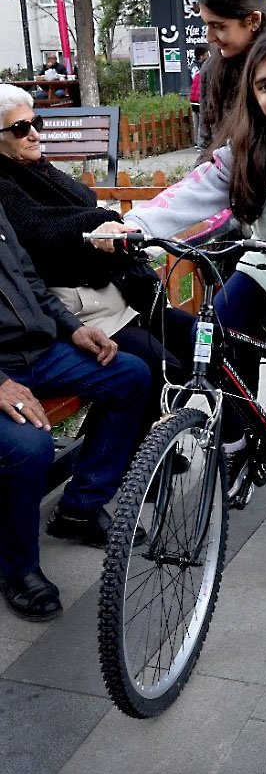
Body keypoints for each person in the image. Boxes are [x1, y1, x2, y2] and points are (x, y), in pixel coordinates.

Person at [90, 28, 266, 569]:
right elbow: (197, 189)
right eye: (265, 86)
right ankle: (242, 434)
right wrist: (133, 223)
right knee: (212, 333)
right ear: (252, 95)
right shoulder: (249, 144)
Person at [0, 84, 194, 431]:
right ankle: (137, 451)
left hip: (116, 294)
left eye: (35, 123)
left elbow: (82, 206)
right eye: (19, 129)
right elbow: (38, 230)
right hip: (79, 307)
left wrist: (103, 224)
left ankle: (151, 440)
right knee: (159, 366)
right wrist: (100, 224)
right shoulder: (5, 183)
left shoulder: (41, 170)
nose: (32, 135)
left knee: (196, 339)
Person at [0, 204, 151, 621]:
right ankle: (18, 568)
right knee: (30, 447)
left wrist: (73, 328)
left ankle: (80, 507)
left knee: (131, 376)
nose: (31, 134)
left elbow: (30, 281)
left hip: (37, 351)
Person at [194, 0, 266, 153]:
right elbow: (207, 145)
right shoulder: (211, 69)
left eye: (219, 26)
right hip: (226, 181)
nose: (209, 37)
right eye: (206, 25)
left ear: (253, 20)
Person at [189, 43, 210, 148]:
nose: (208, 56)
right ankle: (200, 143)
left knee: (197, 122)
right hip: (198, 99)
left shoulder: (195, 66)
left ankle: (197, 142)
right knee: (200, 121)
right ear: (201, 56)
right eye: (206, 54)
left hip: (193, 98)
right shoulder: (200, 69)